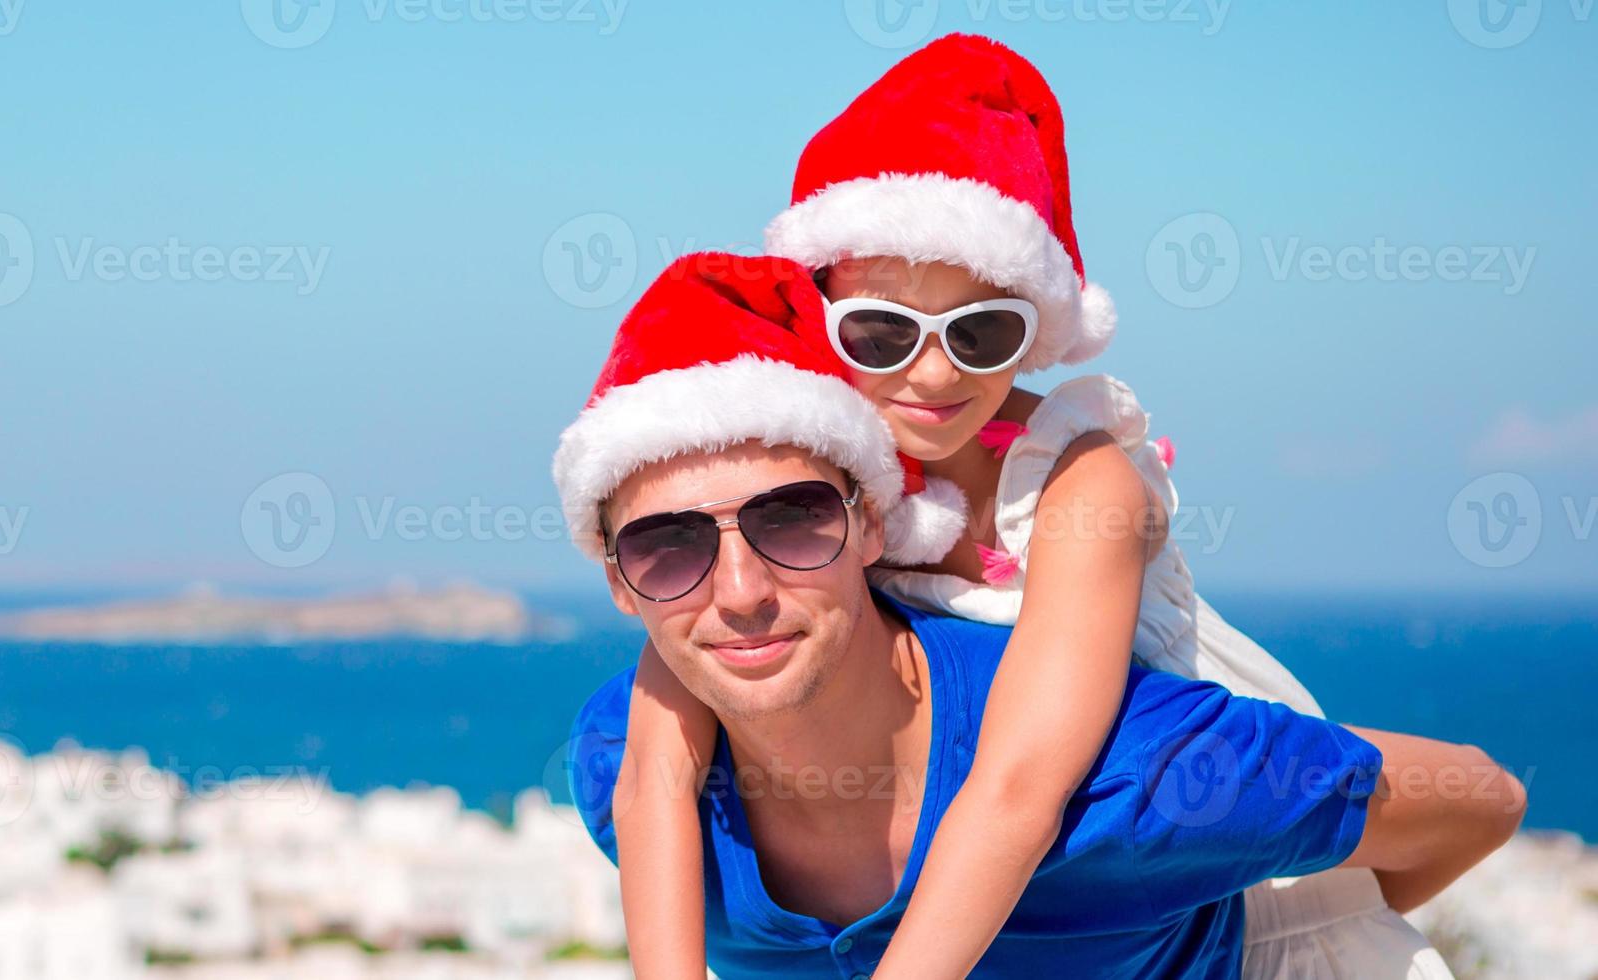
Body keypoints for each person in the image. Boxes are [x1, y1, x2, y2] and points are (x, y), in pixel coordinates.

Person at [610, 34, 1463, 979]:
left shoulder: (1077, 479)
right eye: (882, 331)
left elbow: (1019, 785)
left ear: (1038, 327)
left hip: (1224, 872)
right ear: (821, 315)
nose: (931, 373)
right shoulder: (806, 486)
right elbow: (656, 762)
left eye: (980, 332)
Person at [553, 251, 1524, 979]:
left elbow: (1481, 796)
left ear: (873, 524)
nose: (739, 590)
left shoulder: (1147, 777)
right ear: (618, 580)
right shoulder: (628, 775)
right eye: (667, 548)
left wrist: (1289, 916)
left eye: (793, 519)